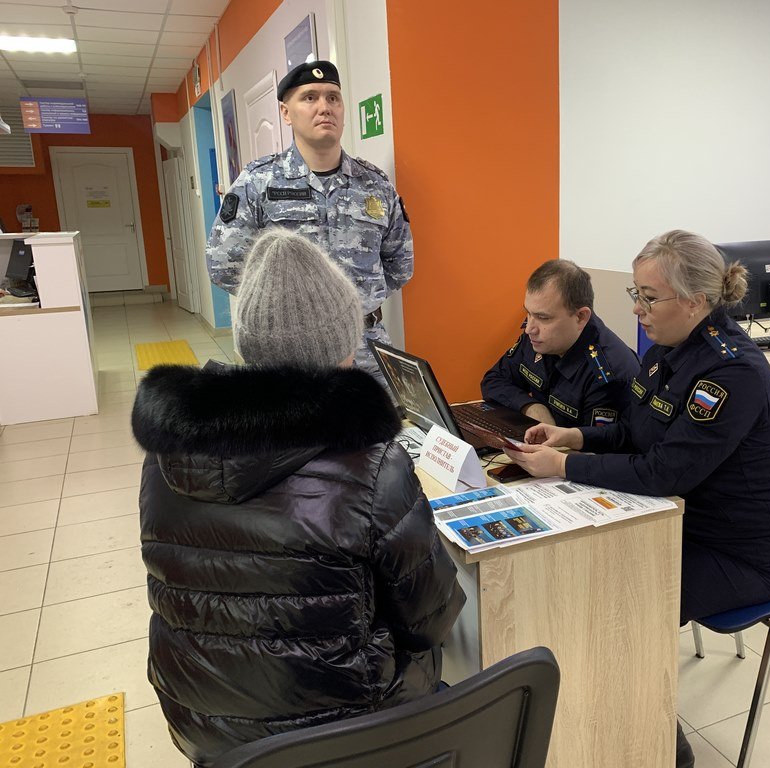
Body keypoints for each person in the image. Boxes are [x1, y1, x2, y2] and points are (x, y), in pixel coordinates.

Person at [133, 230, 465, 767]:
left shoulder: (165, 450)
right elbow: (431, 617)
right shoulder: (372, 464)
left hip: (200, 722)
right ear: (341, 349)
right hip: (341, 738)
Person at [504, 231, 770, 768]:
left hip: (749, 550)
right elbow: (637, 431)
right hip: (686, 523)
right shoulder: (670, 349)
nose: (638, 310)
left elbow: (665, 471)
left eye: (649, 297)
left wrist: (565, 465)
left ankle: (662, 748)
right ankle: (595, 727)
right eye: (637, 295)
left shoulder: (732, 371)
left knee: (616, 609)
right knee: (578, 579)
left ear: (695, 301)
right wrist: (576, 437)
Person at [206, 59, 412, 381]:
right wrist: (286, 315)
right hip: (291, 356)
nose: (324, 107)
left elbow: (400, 264)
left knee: (380, 416)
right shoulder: (257, 183)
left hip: (368, 350)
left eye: (333, 97)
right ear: (286, 112)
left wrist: (358, 301)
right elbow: (224, 265)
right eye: (310, 97)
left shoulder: (375, 184)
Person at [480, 259, 640, 427]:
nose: (529, 329)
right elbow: (493, 380)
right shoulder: (538, 337)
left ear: (580, 317)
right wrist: (530, 407)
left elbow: (594, 441)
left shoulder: (608, 374)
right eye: (529, 313)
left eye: (543, 317)